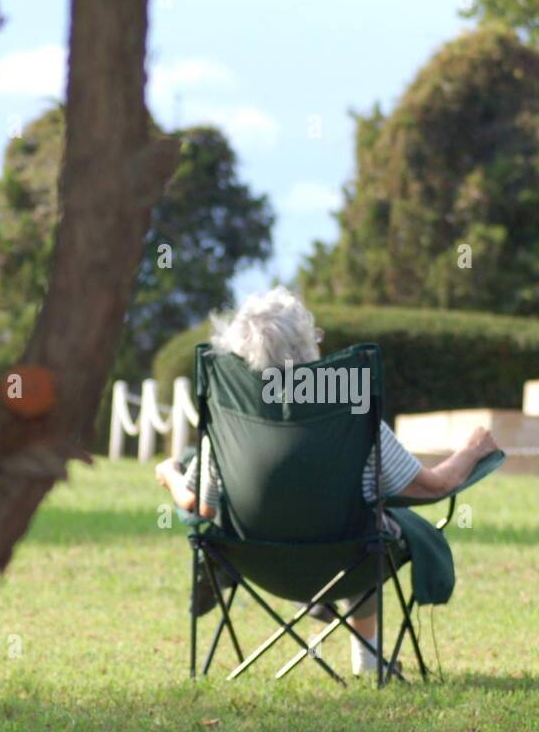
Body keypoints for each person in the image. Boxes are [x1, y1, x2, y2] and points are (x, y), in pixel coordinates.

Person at [156, 287, 498, 676]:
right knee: (367, 523)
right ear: (307, 346)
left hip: (257, 560)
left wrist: (168, 472)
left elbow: (200, 506)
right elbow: (433, 487)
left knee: (358, 521)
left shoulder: (227, 416)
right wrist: (472, 449)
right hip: (346, 558)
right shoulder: (350, 409)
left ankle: (342, 632)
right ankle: (368, 660)